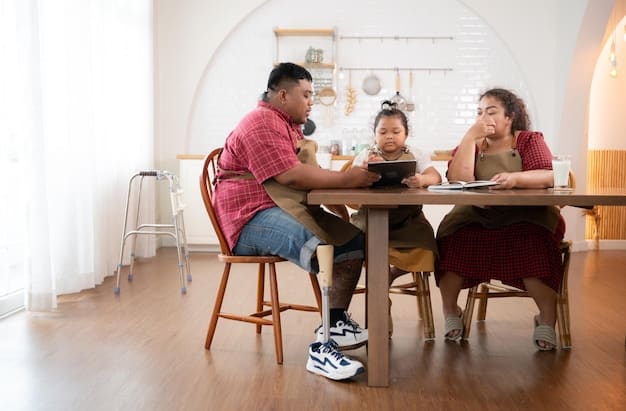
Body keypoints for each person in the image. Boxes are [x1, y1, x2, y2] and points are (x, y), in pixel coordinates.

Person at [212, 62, 380, 380]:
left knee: (352, 241)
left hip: (276, 207)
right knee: (324, 251)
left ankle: (334, 321)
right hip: (248, 217)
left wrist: (340, 199)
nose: (310, 101)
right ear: (283, 95)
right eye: (306, 95)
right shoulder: (261, 122)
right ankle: (322, 351)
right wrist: (347, 182)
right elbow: (290, 176)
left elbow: (298, 177)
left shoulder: (286, 124)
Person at [435, 88, 565, 351]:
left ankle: (546, 320)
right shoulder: (472, 143)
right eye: (480, 112)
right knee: (455, 239)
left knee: (531, 244)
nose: (484, 117)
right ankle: (451, 311)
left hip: (525, 216)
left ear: (510, 117)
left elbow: (547, 174)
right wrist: (470, 137)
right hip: (477, 214)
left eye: (492, 112)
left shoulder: (528, 140)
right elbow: (458, 179)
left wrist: (516, 179)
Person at [350, 101, 441, 332]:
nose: (389, 137)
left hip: (409, 221)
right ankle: (382, 304)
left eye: (396, 131)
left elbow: (435, 176)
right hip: (371, 220)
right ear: (374, 135)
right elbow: (350, 182)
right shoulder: (366, 153)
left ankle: (388, 275)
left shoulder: (416, 154)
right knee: (369, 251)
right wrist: (363, 171)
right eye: (382, 132)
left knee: (429, 248)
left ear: (406, 134)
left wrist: (422, 180)